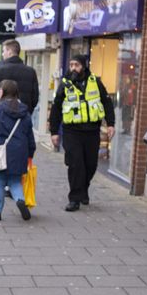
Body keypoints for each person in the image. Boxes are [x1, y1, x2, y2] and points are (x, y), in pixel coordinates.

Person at [48, 54, 115, 211]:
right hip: (72, 132)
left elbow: (106, 102)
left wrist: (111, 124)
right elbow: (56, 108)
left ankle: (83, 189)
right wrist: (54, 132)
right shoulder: (65, 84)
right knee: (76, 164)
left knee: (91, 165)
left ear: (84, 66)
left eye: (76, 65)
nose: (73, 68)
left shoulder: (95, 82)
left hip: (92, 131)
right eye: (71, 65)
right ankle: (74, 199)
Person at [0, 79, 36, 221]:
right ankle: (20, 200)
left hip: (0, 151)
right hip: (19, 152)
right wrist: (30, 153)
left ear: (3, 92)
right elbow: (30, 135)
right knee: (15, 182)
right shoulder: (24, 111)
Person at [0, 39, 39, 114]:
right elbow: (35, 98)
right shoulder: (31, 72)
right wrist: (28, 110)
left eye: (3, 51)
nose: (2, 54)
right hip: (23, 115)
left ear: (9, 52)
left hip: (3, 116)